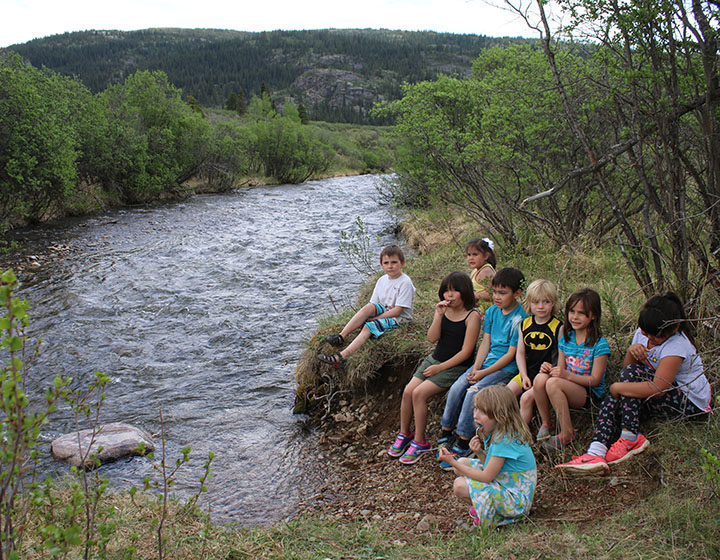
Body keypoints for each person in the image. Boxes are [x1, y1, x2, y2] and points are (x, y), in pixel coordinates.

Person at [557, 292, 712, 474]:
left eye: (656, 337)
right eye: (646, 334)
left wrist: (617, 387)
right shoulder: (644, 332)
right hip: (659, 393)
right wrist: (631, 352)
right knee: (614, 400)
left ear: (675, 328)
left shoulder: (677, 345)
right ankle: (595, 452)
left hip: (689, 402)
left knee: (624, 385)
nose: (650, 341)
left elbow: (658, 388)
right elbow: (626, 371)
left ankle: (630, 437)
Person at [437, 267, 527, 469]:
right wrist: (476, 368)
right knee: (457, 386)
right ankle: (445, 432)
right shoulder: (493, 311)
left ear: (517, 293)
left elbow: (511, 354)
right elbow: (485, 342)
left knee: (473, 393)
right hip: (484, 365)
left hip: (504, 368)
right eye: (494, 292)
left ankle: (463, 440)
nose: (496, 297)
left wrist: (483, 373)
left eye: (502, 293)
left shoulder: (519, 318)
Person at [388, 272, 481, 464]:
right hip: (434, 359)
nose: (450, 295)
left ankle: (421, 442)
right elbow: (432, 339)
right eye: (446, 291)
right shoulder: (444, 311)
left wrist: (440, 369)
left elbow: (466, 353)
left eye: (455, 291)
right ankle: (405, 433)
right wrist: (438, 315)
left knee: (419, 394)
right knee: (408, 392)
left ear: (464, 292)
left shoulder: (472, 316)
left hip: (455, 366)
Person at [439, 385, 537, 529]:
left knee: (460, 485)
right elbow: (493, 468)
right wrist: (479, 453)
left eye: (482, 412)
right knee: (463, 463)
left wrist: (452, 462)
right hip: (506, 482)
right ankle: (488, 509)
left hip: (517, 502)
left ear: (499, 414)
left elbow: (486, 477)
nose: (475, 415)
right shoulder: (496, 432)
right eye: (476, 409)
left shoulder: (504, 439)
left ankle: (497, 517)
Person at [534, 288, 610, 451]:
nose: (575, 317)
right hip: (568, 385)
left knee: (554, 383)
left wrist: (566, 375)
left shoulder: (599, 344)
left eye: (581, 313)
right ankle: (547, 423)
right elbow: (560, 369)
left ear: (593, 315)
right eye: (572, 311)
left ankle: (567, 433)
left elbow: (595, 380)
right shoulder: (566, 339)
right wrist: (550, 369)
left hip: (588, 393)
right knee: (541, 378)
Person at [318, 245, 415, 366]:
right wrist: (368, 315)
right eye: (386, 263)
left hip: (399, 318)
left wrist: (376, 319)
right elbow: (373, 303)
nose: (390, 266)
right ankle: (341, 336)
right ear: (381, 265)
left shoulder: (405, 282)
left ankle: (342, 356)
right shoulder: (382, 280)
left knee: (369, 326)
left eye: (394, 262)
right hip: (386, 309)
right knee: (368, 307)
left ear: (402, 263)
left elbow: (398, 311)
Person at [505, 279, 561, 429]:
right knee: (506, 395)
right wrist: (523, 376)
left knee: (525, 399)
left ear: (553, 303)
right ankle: (502, 429)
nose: (541, 306)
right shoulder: (525, 324)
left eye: (546, 302)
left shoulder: (558, 327)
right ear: (529, 303)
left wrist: (551, 370)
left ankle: (520, 436)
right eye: (536, 302)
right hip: (527, 371)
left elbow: (560, 358)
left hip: (545, 375)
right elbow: (520, 353)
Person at [466, 238, 496, 309]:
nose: (471, 258)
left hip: (486, 312)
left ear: (486, 256)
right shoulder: (475, 271)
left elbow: (492, 294)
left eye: (475, 254)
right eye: (469, 254)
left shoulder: (486, 271)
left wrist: (475, 295)